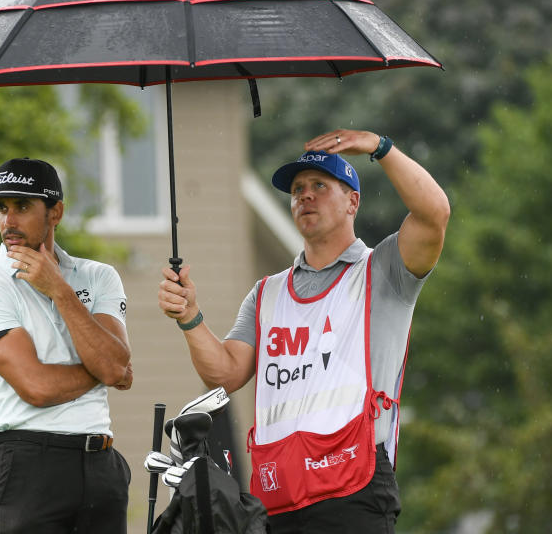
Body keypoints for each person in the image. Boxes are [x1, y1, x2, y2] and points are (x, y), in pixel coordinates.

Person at [158, 129, 450, 533]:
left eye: (319, 185)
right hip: (280, 492)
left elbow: (435, 214)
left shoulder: (382, 270)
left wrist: (379, 148)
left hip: (354, 486)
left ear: (353, 201)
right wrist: (190, 317)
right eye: (297, 189)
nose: (305, 196)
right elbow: (224, 374)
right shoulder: (266, 293)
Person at [0, 157, 134, 534]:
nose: (8, 221)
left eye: (22, 207)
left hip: (102, 469)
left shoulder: (99, 276)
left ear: (55, 212)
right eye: (2, 208)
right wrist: (107, 371)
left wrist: (59, 289)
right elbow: (37, 387)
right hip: (28, 467)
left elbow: (116, 366)